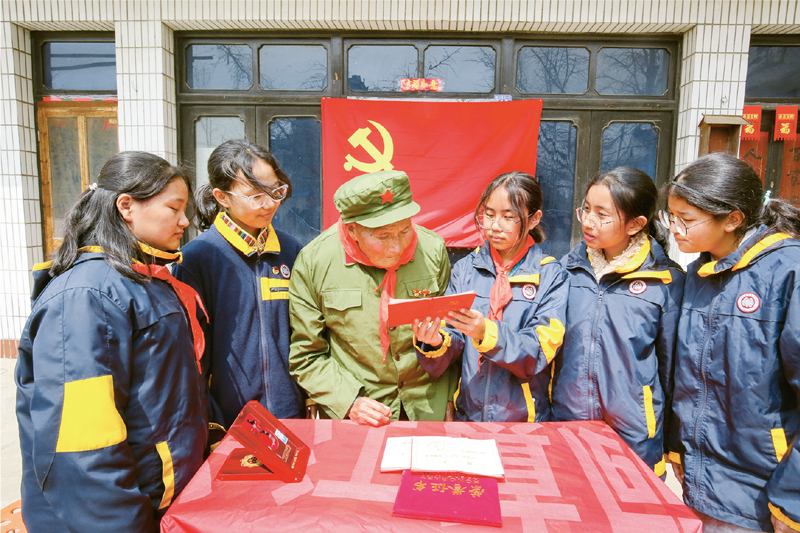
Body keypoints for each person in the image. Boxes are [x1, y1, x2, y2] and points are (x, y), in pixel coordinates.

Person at [15, 152, 208, 532]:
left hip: (160, 504)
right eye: (174, 208)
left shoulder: (144, 280)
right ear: (126, 206)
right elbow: (82, 448)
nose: (185, 221)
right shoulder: (87, 296)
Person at [663, 153, 800, 533]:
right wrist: (679, 448)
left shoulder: (788, 272)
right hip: (702, 481)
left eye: (686, 219)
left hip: (764, 490)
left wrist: (793, 499)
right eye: (670, 217)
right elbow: (688, 377)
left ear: (732, 219)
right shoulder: (699, 273)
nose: (675, 229)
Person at [289, 170, 459, 427]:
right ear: (352, 229)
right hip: (360, 414)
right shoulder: (315, 262)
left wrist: (449, 397)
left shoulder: (432, 250)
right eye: (383, 236)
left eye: (405, 231)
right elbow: (307, 356)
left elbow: (452, 331)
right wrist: (349, 401)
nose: (397, 246)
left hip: (427, 406)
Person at [550, 167, 685, 477]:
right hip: (568, 424)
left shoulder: (666, 282)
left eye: (602, 214)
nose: (588, 221)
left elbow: (674, 373)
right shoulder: (565, 272)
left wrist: (674, 444)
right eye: (586, 209)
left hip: (634, 435)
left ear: (635, 224)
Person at [412, 171, 568, 422]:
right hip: (469, 415)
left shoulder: (551, 275)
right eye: (489, 214)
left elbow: (538, 352)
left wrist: (486, 332)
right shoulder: (466, 269)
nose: (495, 226)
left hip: (524, 421)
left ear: (534, 219)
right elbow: (453, 336)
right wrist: (435, 341)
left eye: (508, 217)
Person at [173, 139, 304, 428]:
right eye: (255, 196)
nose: (269, 204)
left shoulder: (291, 250)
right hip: (230, 419)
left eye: (275, 191)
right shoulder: (197, 258)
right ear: (222, 197)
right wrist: (210, 420)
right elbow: (190, 355)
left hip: (291, 414)